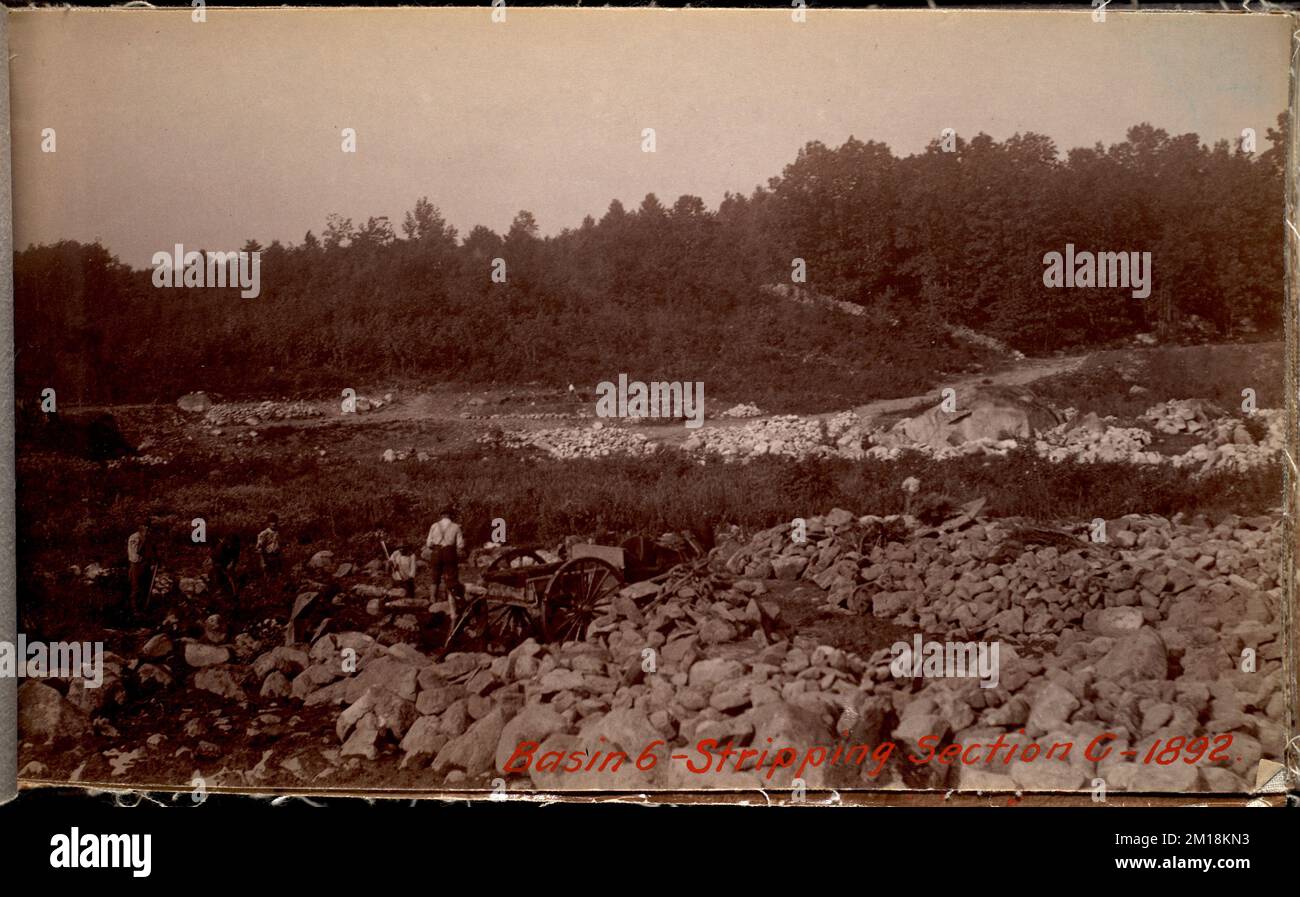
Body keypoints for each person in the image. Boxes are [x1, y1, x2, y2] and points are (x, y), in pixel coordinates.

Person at [425, 506, 465, 618]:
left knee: (435, 577)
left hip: (436, 552)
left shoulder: (434, 526)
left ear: (441, 515)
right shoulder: (456, 527)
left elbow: (428, 544)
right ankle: (450, 602)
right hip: (449, 552)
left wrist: (436, 545)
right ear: (450, 515)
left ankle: (432, 601)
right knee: (451, 577)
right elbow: (460, 545)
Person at [126, 520, 158, 614]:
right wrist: (143, 539)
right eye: (144, 526)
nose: (146, 528)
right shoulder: (134, 537)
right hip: (136, 565)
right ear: (140, 526)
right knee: (136, 587)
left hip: (146, 565)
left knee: (145, 587)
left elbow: (152, 552)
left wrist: (152, 562)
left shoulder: (147, 538)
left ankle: (142, 608)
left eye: (147, 526)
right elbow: (135, 555)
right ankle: (134, 610)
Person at [210, 533, 242, 599]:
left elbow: (236, 558)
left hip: (227, 559)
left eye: (233, 545)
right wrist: (224, 571)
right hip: (217, 560)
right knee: (219, 576)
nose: (231, 546)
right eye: (230, 544)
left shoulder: (236, 547)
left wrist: (232, 566)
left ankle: (234, 593)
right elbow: (217, 561)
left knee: (231, 576)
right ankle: (219, 590)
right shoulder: (220, 548)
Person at [256, 513, 282, 581]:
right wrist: (262, 561)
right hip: (267, 557)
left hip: (276, 557)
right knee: (268, 578)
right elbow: (259, 548)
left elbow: (279, 545)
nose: (274, 524)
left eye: (275, 521)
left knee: (277, 577)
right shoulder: (264, 534)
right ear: (268, 523)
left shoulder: (278, 533)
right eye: (272, 522)